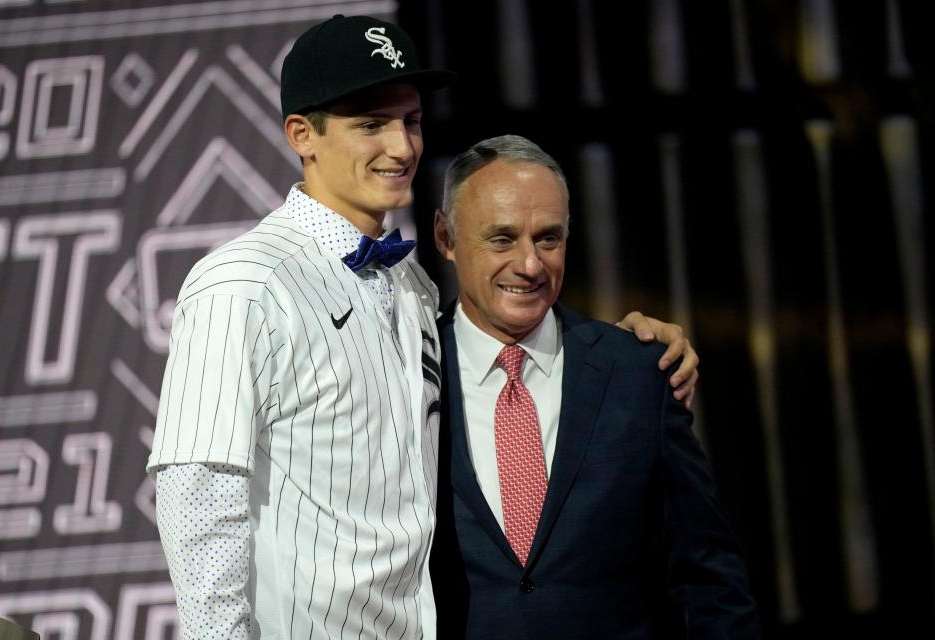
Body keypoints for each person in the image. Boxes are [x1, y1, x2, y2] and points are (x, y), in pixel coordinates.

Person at [147, 15, 699, 640]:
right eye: (371, 124)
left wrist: (624, 345)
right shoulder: (243, 284)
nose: (403, 147)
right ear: (303, 134)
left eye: (410, 121)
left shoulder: (411, 288)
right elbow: (199, 499)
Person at [430, 135, 759, 638]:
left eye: (548, 238)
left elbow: (709, 572)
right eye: (501, 239)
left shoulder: (640, 373)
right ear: (446, 237)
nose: (530, 265)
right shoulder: (402, 373)